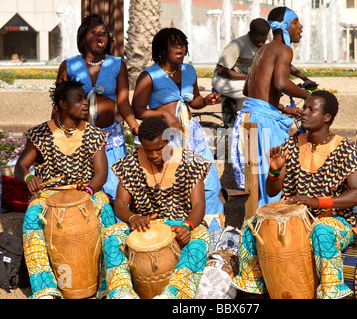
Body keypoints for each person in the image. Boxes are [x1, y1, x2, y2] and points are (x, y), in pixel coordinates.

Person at [233, 90, 357, 299]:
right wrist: (275, 170)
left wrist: (317, 202)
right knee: (251, 226)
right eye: (304, 107)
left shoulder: (344, 148)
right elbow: (272, 190)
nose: (303, 112)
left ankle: (332, 291)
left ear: (326, 117)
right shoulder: (291, 145)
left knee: (322, 232)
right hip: (294, 221)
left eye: (310, 109)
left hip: (335, 220)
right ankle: (254, 289)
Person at [15, 79, 117, 299]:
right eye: (79, 99)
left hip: (87, 191)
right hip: (50, 193)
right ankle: (44, 288)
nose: (85, 103)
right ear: (62, 103)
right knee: (32, 217)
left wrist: (89, 190)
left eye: (85, 98)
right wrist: (29, 177)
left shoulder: (93, 134)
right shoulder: (41, 133)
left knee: (107, 213)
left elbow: (101, 173)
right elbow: (21, 165)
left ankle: (109, 284)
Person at [102, 116, 212, 299]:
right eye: (148, 151)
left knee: (201, 235)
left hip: (180, 226)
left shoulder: (191, 161)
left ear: (169, 141)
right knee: (112, 234)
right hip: (144, 227)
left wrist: (188, 226)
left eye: (160, 149)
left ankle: (173, 294)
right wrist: (132, 217)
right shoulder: (130, 164)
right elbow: (120, 204)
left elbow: (199, 204)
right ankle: (121, 293)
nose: (154, 155)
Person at [131, 27, 224, 232]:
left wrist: (206, 101)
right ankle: (172, 233)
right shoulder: (149, 75)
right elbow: (136, 109)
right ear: (162, 50)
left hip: (192, 134)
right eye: (174, 44)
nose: (180, 47)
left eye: (182, 43)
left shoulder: (189, 71)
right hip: (164, 139)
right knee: (172, 184)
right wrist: (163, 114)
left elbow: (194, 101)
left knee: (209, 181)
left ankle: (211, 232)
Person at [230, 6, 318, 208]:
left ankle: (254, 230)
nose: (300, 26)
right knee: (275, 178)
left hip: (249, 116)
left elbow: (247, 90)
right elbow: (280, 83)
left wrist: (284, 109)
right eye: (296, 22)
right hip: (262, 123)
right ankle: (271, 230)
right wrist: (310, 95)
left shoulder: (263, 49)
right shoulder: (283, 49)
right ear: (285, 27)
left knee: (256, 182)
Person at [56, 14, 139, 205]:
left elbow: (124, 102)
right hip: (78, 137)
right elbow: (58, 105)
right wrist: (55, 135)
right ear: (84, 37)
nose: (100, 37)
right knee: (82, 190)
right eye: (94, 33)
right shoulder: (68, 65)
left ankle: (115, 231)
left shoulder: (117, 64)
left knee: (114, 189)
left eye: (104, 33)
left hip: (111, 138)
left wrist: (135, 126)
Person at [211, 18, 270, 125]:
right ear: (250, 34)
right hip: (223, 81)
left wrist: (303, 77)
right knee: (257, 89)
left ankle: (232, 130)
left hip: (239, 83)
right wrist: (249, 77)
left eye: (263, 40)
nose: (261, 44)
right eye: (258, 41)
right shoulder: (237, 44)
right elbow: (221, 71)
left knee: (237, 123)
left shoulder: (266, 44)